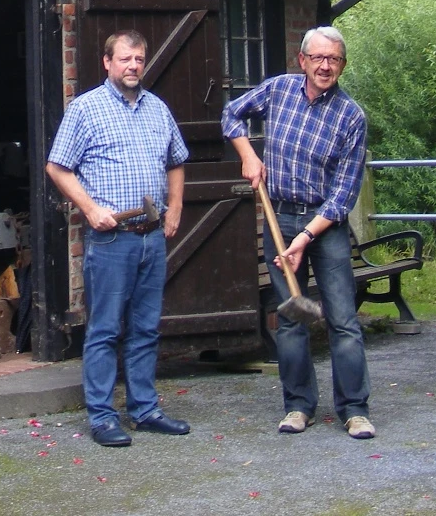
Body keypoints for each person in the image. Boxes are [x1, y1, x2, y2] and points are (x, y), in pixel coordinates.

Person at [222, 25, 374, 440]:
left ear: (343, 65)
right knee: (290, 318)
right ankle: (298, 406)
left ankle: (354, 409)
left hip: (325, 227)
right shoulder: (278, 90)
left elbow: (343, 196)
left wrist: (303, 239)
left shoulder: (351, 117)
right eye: (318, 58)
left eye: (335, 59)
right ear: (302, 60)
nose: (326, 66)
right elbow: (230, 114)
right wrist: (249, 156)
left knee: (342, 320)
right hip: (279, 214)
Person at [46, 30, 190, 447]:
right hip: (112, 240)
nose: (133, 66)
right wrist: (90, 209)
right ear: (107, 63)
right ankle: (103, 417)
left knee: (146, 328)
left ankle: (145, 410)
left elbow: (176, 160)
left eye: (139, 60)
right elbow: (57, 167)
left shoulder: (157, 109)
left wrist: (175, 208)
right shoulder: (86, 109)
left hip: (151, 237)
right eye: (125, 59)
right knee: (106, 330)